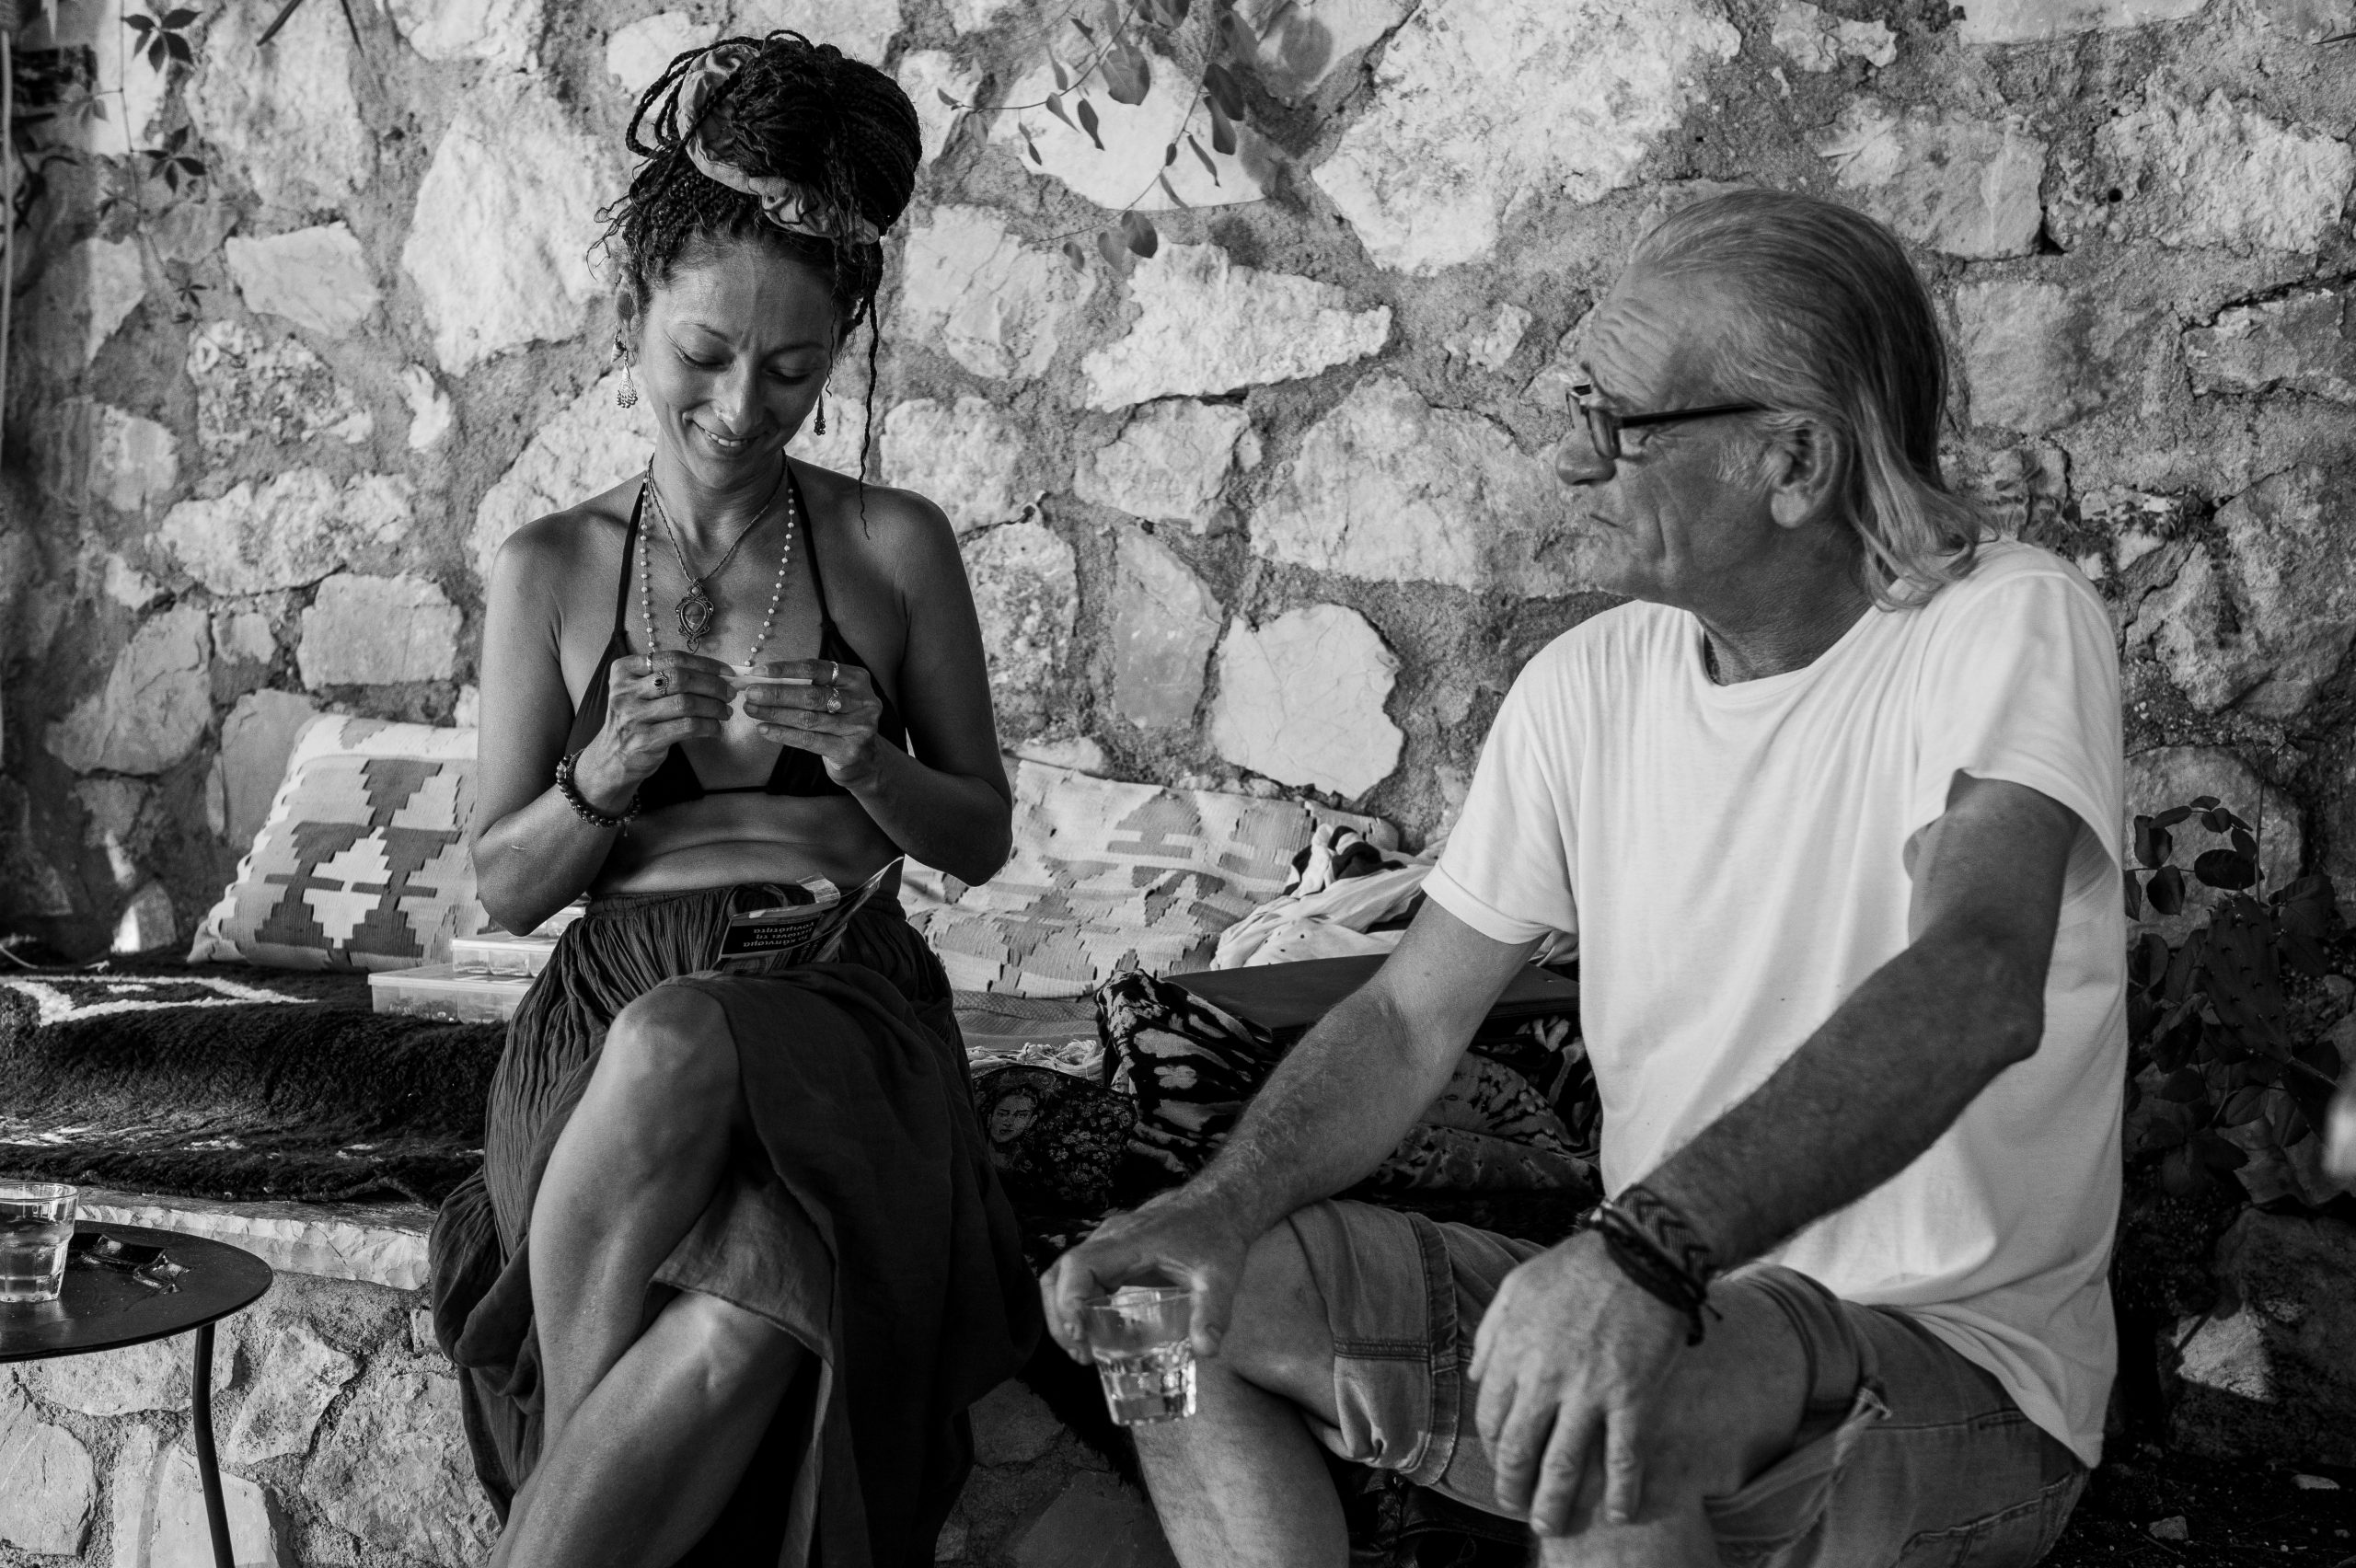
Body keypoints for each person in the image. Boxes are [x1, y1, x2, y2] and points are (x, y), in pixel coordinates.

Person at [1045, 188, 2125, 1568]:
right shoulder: (1585, 686)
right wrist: (1212, 1209)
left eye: (1619, 426)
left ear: (1795, 460)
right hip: (1662, 1300)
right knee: (1173, 1305)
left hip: (1944, 1369)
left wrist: (1645, 1252)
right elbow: (1407, 1019)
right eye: (1576, 408)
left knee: (1620, 1405)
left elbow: (1976, 982)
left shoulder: (2001, 625)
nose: (1569, 461)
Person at [426, 33, 1036, 1568]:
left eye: (792, 369)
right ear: (632, 311)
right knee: (753, 1301)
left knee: (685, 1034)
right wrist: (600, 776)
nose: (740, 405)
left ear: (840, 350)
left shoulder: (893, 548)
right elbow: (505, 888)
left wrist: (872, 762)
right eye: (702, 353)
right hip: (601, 1029)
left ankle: (556, 1512)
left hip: (839, 1006)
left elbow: (978, 836)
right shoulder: (549, 569)